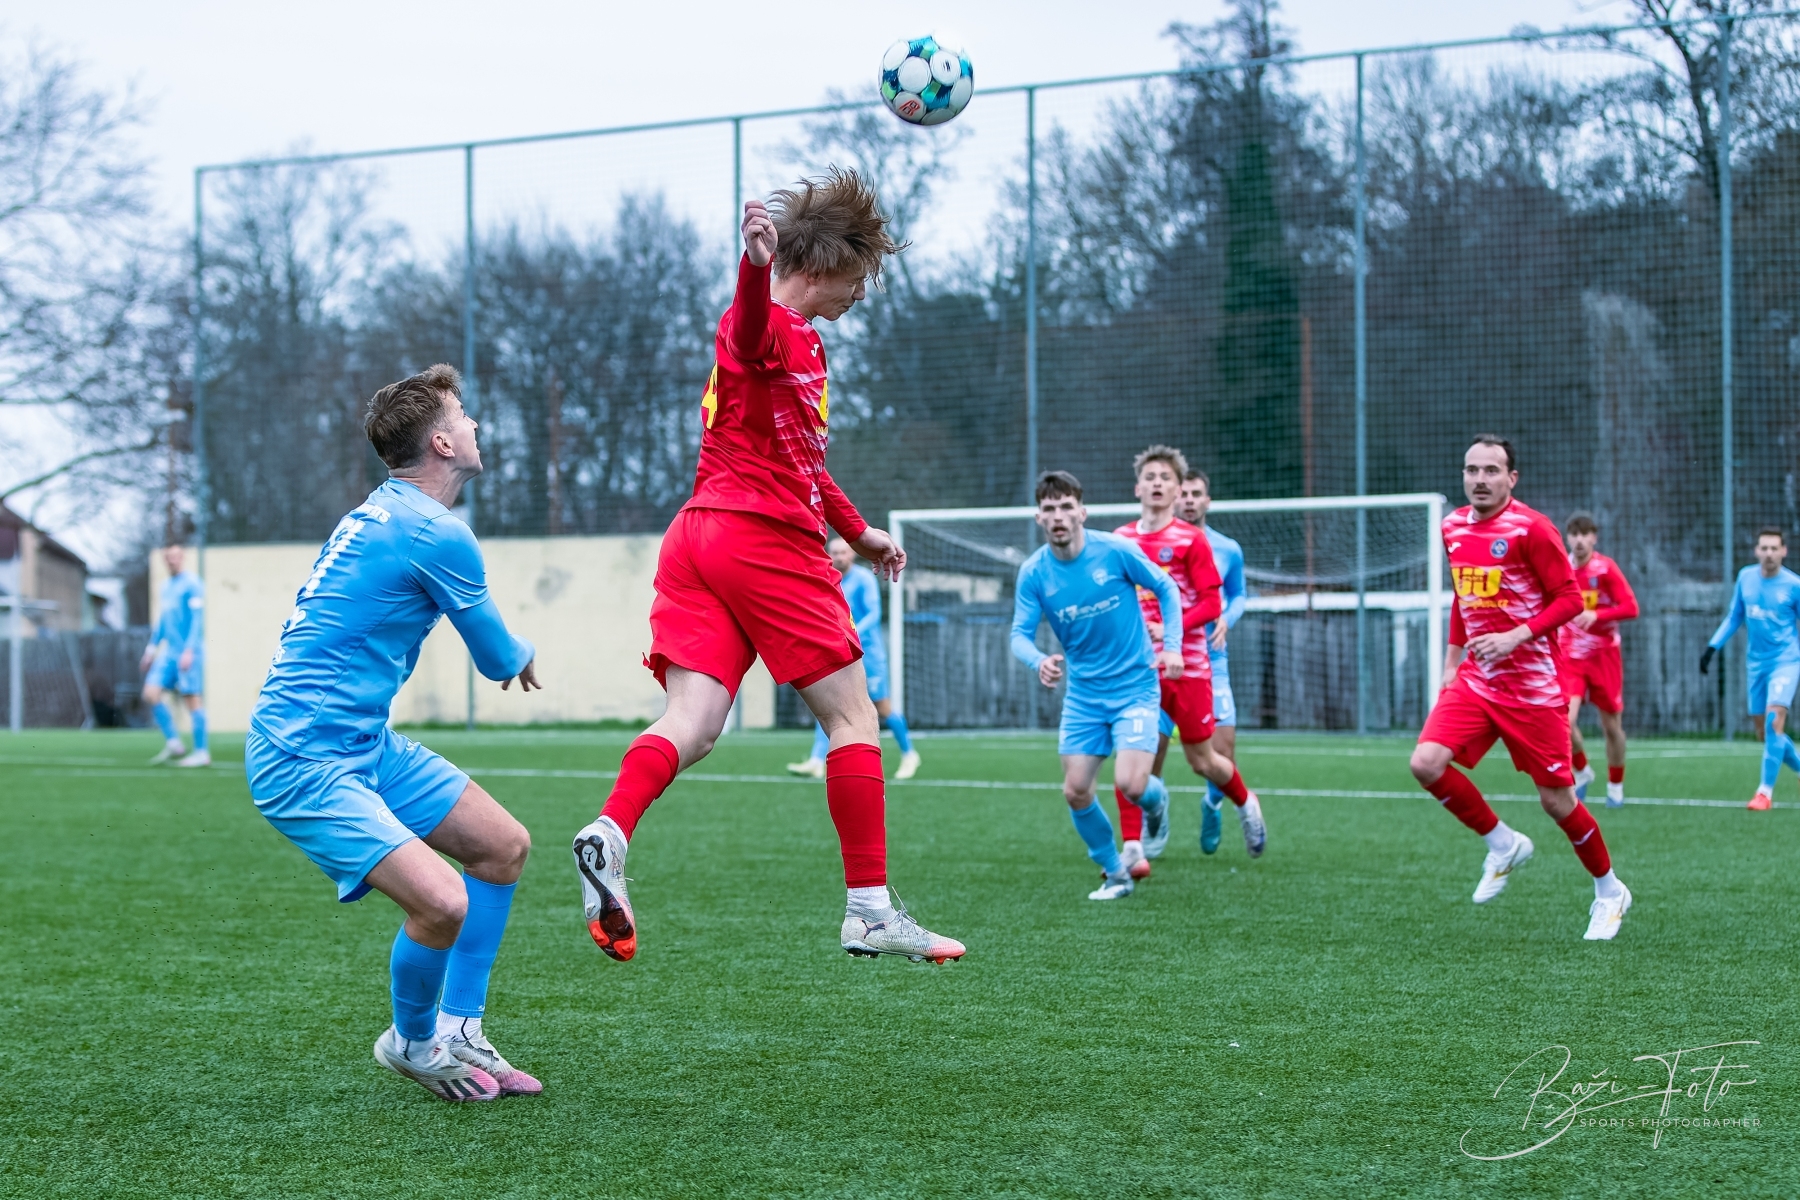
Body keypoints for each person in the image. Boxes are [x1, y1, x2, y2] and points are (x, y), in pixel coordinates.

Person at [572, 170, 964, 965]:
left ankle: (611, 831)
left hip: (698, 539)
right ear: (820, 268)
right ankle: (870, 911)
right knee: (853, 720)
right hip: (764, 543)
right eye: (858, 277)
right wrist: (753, 270)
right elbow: (746, 333)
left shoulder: (801, 344)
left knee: (695, 725)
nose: (861, 293)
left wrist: (860, 533)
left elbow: (805, 465)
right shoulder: (771, 327)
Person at [245, 365, 544, 1102]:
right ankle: (410, 1042)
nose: (474, 425)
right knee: (442, 902)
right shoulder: (437, 533)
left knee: (502, 847)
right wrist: (524, 652)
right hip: (302, 759)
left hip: (362, 745)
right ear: (441, 443)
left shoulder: (379, 513)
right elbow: (498, 658)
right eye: (463, 417)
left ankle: (461, 1029)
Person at [1408, 435, 1630, 940]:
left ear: (1512, 478)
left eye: (1491, 470)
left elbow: (1569, 600)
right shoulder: (1452, 526)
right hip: (1477, 680)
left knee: (1557, 802)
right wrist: (1451, 662)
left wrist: (1515, 636)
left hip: (1533, 688)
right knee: (1425, 763)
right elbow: (1463, 597)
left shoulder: (1533, 528)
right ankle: (1504, 844)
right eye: (1471, 470)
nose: (1479, 479)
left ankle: (1610, 890)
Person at [1011, 470, 1187, 900]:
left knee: (1132, 785)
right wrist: (1039, 661)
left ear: (1082, 513)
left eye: (1066, 507)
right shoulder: (1034, 573)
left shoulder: (1115, 551)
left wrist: (1172, 647)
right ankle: (1115, 873)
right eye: (1049, 509)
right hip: (1084, 696)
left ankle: (1157, 803)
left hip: (1135, 687)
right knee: (1075, 790)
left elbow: (1166, 587)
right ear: (1039, 517)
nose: (1058, 516)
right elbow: (1019, 635)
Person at [1111, 446, 1265, 872]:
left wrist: (1169, 630)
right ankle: (1133, 847)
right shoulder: (1120, 540)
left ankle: (1245, 803)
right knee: (1134, 754)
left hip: (1190, 667)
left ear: (1178, 490)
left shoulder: (1192, 540)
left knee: (1203, 760)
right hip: (1139, 671)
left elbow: (1213, 604)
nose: (1157, 484)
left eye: (1166, 478)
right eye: (1150, 477)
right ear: (1138, 487)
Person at [1157, 469, 1249, 855]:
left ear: (1207, 501)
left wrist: (1228, 617)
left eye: (1197, 494)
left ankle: (1212, 804)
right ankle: (1153, 813)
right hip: (1161, 662)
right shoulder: (1154, 545)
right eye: (1184, 493)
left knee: (1222, 753)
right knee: (1149, 754)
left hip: (1212, 661)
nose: (1190, 500)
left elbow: (1238, 594)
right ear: (1173, 497)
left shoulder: (1227, 549)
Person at [786, 535, 922, 781]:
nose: (839, 557)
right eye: (835, 553)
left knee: (882, 707)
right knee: (829, 702)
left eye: (843, 552)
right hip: (840, 652)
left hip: (869, 655)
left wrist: (850, 633)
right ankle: (816, 760)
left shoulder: (863, 579)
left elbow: (874, 614)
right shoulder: (826, 578)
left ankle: (909, 754)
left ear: (852, 554)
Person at [1701, 525, 1800, 811]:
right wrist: (1712, 647)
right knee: (1765, 733)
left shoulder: (1793, 585)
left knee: (1773, 721)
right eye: (1764, 548)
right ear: (1757, 551)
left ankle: (1764, 793)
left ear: (1784, 551)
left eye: (1774, 548)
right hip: (1756, 664)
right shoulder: (1745, 577)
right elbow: (1735, 616)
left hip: (1786, 661)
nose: (1769, 554)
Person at [1558, 512, 1638, 808]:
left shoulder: (1605, 568)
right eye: (1574, 534)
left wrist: (1598, 615)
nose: (1579, 540)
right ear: (1568, 538)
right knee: (1563, 721)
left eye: (1585, 534)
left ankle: (1615, 786)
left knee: (1611, 727)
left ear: (1594, 538)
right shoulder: (1561, 569)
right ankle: (1582, 771)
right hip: (1570, 656)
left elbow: (1631, 607)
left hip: (1604, 656)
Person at [142, 545, 210, 767]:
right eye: (168, 558)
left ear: (182, 558)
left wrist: (189, 650)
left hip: (189, 651)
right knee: (151, 692)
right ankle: (173, 742)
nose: (171, 561)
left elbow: (197, 620)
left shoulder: (193, 584)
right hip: (169, 652)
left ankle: (201, 752)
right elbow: (163, 620)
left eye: (175, 557)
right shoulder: (166, 587)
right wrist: (151, 649)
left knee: (192, 699)